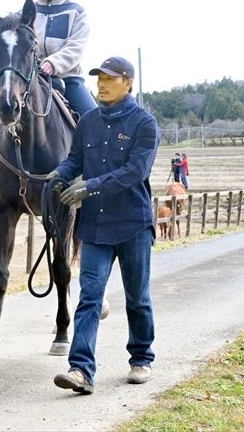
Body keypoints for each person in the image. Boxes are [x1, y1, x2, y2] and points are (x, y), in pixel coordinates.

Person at [47, 56, 160, 395]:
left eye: (110, 78)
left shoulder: (145, 123)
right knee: (89, 298)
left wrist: (89, 186)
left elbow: (135, 172)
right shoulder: (88, 122)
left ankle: (141, 358)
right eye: (99, 78)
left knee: (137, 298)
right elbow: (76, 160)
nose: (101, 84)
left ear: (128, 83)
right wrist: (60, 174)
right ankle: (80, 370)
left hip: (133, 225)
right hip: (95, 225)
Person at [0, 0, 96, 198]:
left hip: (67, 78)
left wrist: (53, 63)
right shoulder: (23, 14)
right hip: (26, 81)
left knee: (92, 119)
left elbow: (77, 47)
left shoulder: (76, 12)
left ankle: (95, 179)